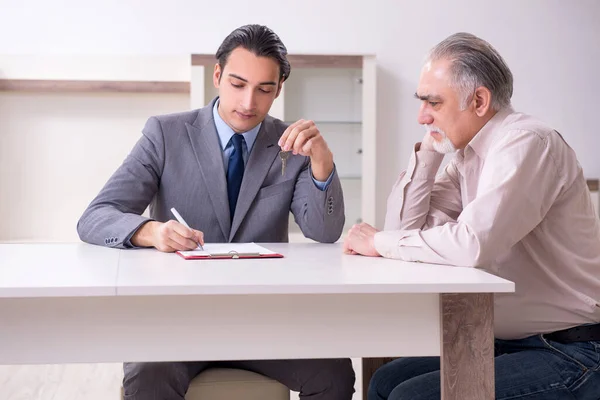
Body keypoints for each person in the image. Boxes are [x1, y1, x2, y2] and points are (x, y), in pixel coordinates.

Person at [77, 24, 354, 400]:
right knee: (147, 376)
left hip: (264, 319)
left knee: (333, 373)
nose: (248, 102)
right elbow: (96, 215)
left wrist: (323, 162)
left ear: (279, 89)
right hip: (178, 318)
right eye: (238, 84)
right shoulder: (165, 133)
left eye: (264, 89)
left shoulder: (292, 145)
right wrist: (151, 231)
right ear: (218, 75)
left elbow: (324, 231)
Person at [344, 32, 600, 400]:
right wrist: (429, 153)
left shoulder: (526, 143)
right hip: (506, 343)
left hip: (570, 352)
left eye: (433, 102)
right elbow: (404, 229)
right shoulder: (468, 156)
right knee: (385, 381)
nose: (421, 115)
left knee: (409, 397)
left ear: (479, 100)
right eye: (421, 102)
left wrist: (377, 242)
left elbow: (471, 244)